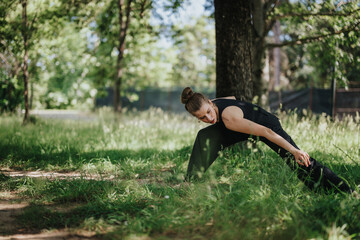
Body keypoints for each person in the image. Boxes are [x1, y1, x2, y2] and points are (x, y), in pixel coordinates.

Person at [181, 87, 352, 193]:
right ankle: (190, 181)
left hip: (266, 126)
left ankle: (345, 190)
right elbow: (232, 99)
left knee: (298, 162)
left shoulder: (229, 118)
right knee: (204, 137)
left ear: (211, 103)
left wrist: (294, 150)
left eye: (209, 112)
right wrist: (245, 111)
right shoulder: (217, 104)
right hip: (243, 125)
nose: (209, 119)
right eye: (202, 118)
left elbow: (265, 131)